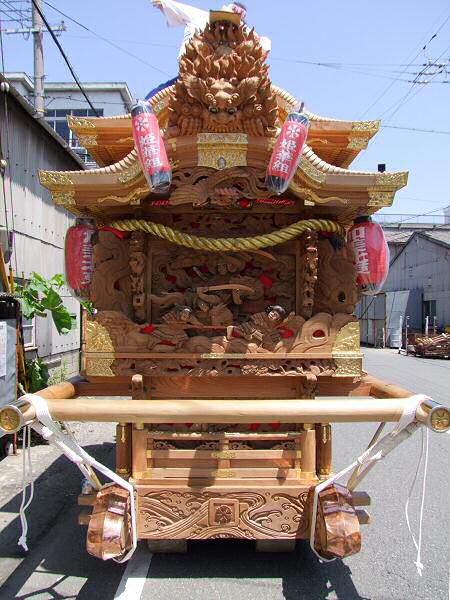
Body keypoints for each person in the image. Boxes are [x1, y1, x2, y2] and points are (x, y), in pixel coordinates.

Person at [151, 0, 271, 59]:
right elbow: (176, 8)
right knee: (156, 96)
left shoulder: (245, 31)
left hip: (232, 75)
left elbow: (264, 44)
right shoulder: (202, 17)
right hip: (196, 67)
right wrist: (164, 3)